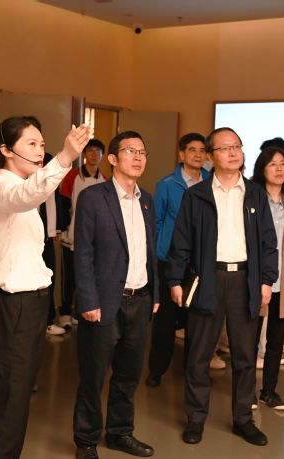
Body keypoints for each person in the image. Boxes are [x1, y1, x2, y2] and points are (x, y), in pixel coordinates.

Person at [0, 116, 89, 458]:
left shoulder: (21, 188)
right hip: (16, 306)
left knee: (18, 396)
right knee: (12, 404)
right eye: (31, 144)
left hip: (33, 303)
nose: (40, 151)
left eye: (42, 144)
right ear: (6, 150)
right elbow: (28, 193)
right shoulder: (1, 189)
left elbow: (33, 192)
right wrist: (65, 157)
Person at [167, 127, 278, 446]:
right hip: (207, 279)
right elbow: (181, 241)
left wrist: (266, 280)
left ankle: (243, 419)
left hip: (246, 281)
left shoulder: (255, 193)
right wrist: (175, 280)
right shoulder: (197, 194)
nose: (233, 152)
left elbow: (268, 242)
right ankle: (195, 418)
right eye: (225, 148)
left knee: (245, 356)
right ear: (210, 156)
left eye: (237, 146)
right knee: (199, 355)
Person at [72, 131, 159, 459]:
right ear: (112, 158)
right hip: (104, 302)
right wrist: (88, 300)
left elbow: (150, 250)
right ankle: (86, 441)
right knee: (93, 377)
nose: (138, 157)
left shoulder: (146, 199)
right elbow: (83, 253)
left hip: (140, 300)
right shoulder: (93, 198)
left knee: (128, 375)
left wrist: (155, 293)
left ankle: (120, 433)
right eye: (130, 151)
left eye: (143, 152)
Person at [145, 133, 211, 388]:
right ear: (182, 154)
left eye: (202, 150)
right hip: (171, 261)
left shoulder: (211, 182)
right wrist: (163, 251)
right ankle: (157, 369)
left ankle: (192, 370)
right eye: (192, 150)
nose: (198, 154)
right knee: (165, 319)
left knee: (197, 320)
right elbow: (157, 222)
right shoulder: (167, 184)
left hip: (201, 262)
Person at [250, 146, 284, 411]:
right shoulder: (250, 199)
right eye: (272, 164)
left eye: (283, 163)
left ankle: (268, 392)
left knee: (275, 343)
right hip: (257, 281)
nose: (279, 168)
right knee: (249, 342)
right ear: (262, 169)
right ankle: (246, 393)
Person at [58, 139, 108, 329]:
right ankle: (64, 313)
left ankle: (79, 313)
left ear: (102, 156)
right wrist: (63, 228)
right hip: (71, 238)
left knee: (87, 278)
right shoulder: (73, 176)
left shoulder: (105, 180)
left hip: (95, 241)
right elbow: (63, 204)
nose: (94, 155)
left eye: (98, 152)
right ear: (84, 154)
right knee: (69, 278)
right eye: (90, 151)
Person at [39, 152, 65, 335]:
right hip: (29, 238)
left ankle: (48, 320)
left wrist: (57, 228)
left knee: (49, 278)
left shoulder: (52, 178)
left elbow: (57, 201)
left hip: (47, 237)